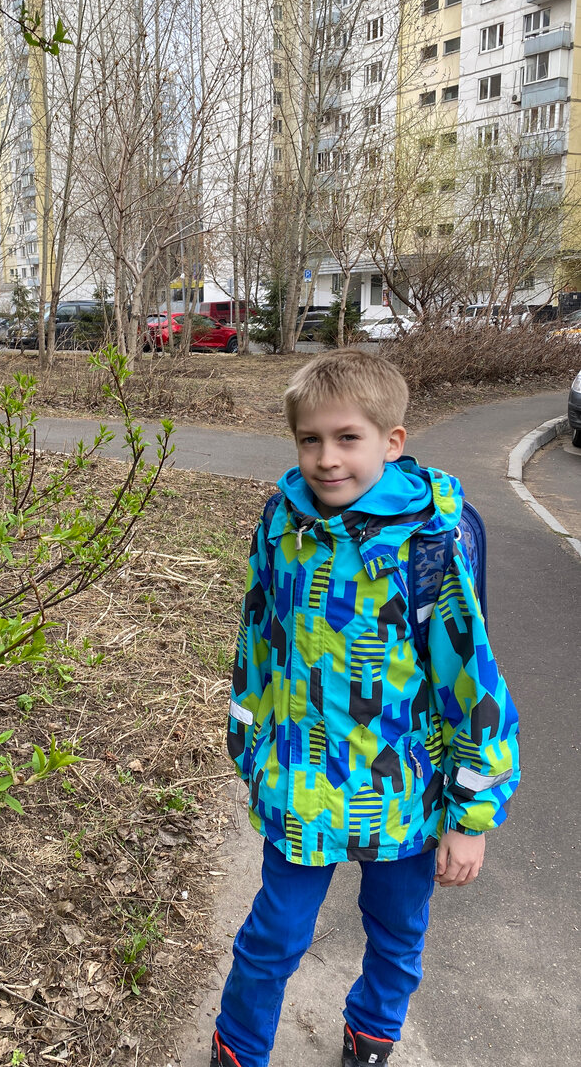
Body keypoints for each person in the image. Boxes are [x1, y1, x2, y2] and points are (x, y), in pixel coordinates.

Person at [211, 350, 520, 1067]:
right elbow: (258, 640)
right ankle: (239, 1047)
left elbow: (471, 686)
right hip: (302, 785)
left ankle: (372, 1035)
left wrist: (470, 818)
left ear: (392, 441)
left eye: (348, 438)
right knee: (272, 938)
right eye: (310, 439)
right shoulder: (282, 525)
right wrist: (247, 744)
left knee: (396, 933)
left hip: (404, 794)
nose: (326, 459)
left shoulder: (430, 545)